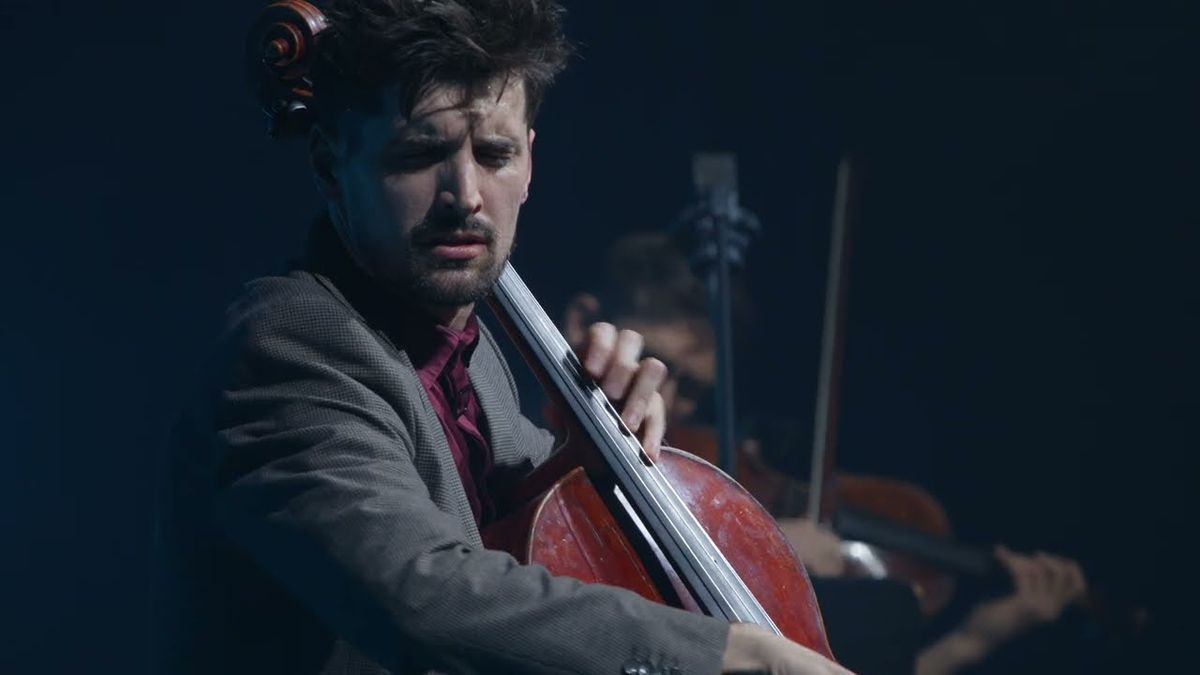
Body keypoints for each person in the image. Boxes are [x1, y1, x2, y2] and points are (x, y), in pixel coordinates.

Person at [154, 2, 850, 674]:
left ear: (530, 163)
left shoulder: (474, 349)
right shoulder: (288, 346)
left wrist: (592, 451)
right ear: (330, 164)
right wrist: (728, 653)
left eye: (494, 153)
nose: (466, 195)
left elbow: (530, 523)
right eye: (419, 153)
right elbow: (426, 594)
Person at [561, 232, 1090, 675]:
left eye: (694, 389)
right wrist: (766, 547)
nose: (668, 400)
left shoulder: (693, 462)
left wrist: (974, 640)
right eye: (654, 360)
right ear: (584, 320)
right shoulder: (522, 442)